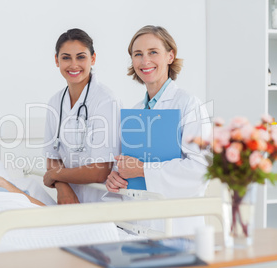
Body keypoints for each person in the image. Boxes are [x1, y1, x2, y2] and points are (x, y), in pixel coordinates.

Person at [105, 25, 211, 235]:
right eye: (138, 54)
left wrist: (143, 169)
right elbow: (127, 167)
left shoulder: (188, 105)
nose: (145, 61)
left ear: (170, 56)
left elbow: (201, 169)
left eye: (153, 52)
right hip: (134, 226)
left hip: (176, 226)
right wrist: (115, 178)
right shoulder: (133, 112)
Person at [43, 28, 121, 204]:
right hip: (69, 201)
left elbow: (101, 170)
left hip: (102, 203)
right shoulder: (55, 102)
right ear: (57, 60)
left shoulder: (106, 101)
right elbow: (52, 158)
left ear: (92, 59)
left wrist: (55, 175)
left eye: (81, 57)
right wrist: (63, 188)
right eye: (65, 57)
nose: (73, 65)